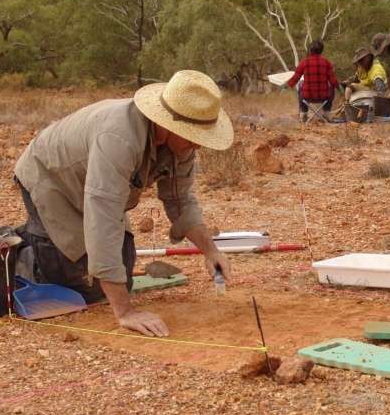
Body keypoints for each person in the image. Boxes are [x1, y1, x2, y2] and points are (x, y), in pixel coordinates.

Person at [12, 70, 234, 337]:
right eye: (192, 135)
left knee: (121, 276)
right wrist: (125, 312)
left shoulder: (182, 146)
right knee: (83, 286)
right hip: (51, 178)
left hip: (97, 187)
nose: (198, 145)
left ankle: (51, 246)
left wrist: (211, 251)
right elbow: (103, 216)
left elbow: (180, 200)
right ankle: (19, 250)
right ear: (168, 124)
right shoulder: (119, 138)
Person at [287, 39, 338, 122]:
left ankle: (303, 113)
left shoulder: (304, 62)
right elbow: (333, 81)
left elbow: (295, 78)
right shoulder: (327, 63)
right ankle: (326, 112)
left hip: (307, 97)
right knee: (331, 85)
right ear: (321, 51)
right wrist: (339, 87)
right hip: (324, 97)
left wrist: (288, 85)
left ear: (310, 50)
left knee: (300, 84)